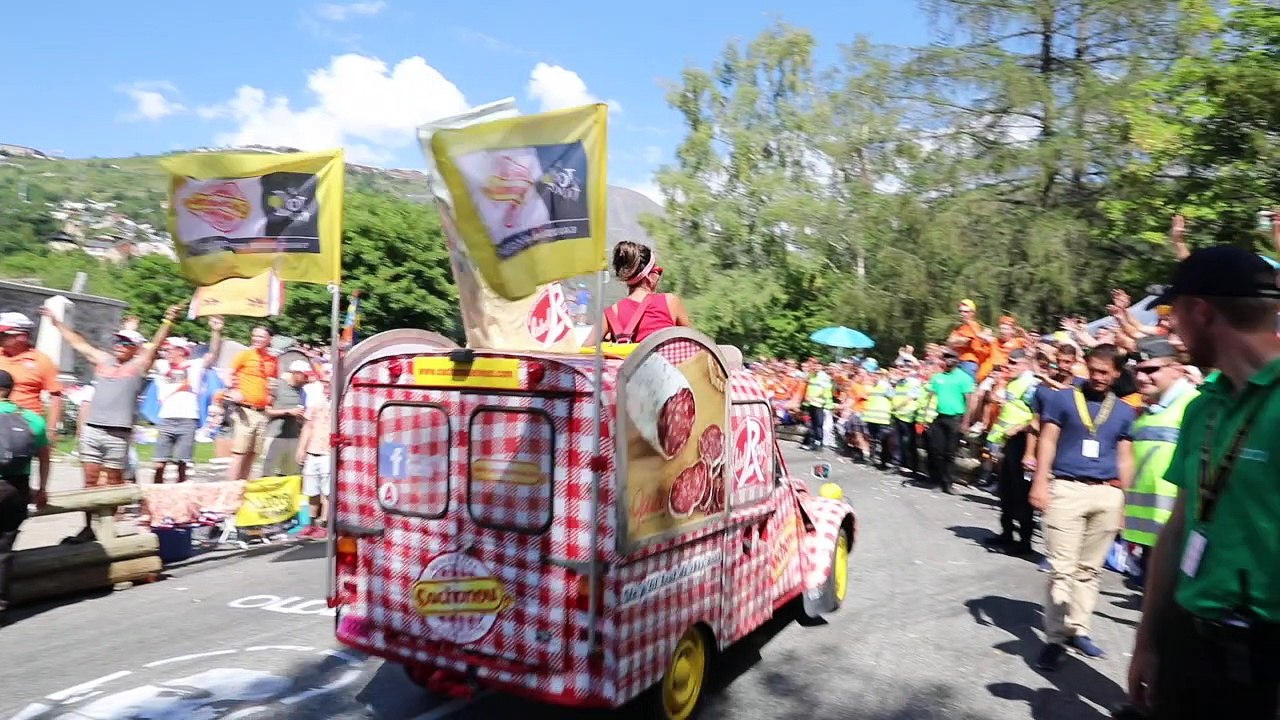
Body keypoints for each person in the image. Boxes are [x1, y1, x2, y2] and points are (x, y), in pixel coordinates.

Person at [1127, 246, 1280, 719]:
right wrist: (1148, 641)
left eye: (1173, 315)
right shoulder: (1202, 406)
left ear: (1201, 311)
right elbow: (1178, 527)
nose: (1168, 330)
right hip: (1189, 643)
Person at [1030, 343, 1138, 670]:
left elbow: (1125, 457)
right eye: (1093, 370)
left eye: (1105, 372)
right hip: (1067, 487)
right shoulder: (1061, 399)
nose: (1098, 377)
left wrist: (1126, 503)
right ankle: (1054, 638)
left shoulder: (1123, 410)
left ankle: (1080, 628)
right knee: (1062, 568)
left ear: (1117, 373)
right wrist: (1040, 480)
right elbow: (1047, 439)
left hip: (1106, 493)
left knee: (1089, 570)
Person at [45, 306, 176, 487]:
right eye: (118, 341)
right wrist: (56, 323)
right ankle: (90, 516)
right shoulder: (103, 360)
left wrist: (168, 321)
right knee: (90, 480)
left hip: (118, 433)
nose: (120, 345)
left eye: (126, 343)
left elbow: (156, 344)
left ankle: (113, 515)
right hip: (92, 430)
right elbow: (78, 343)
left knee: (114, 482)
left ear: (136, 349)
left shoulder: (139, 365)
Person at [1121, 336, 1197, 587]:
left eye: (1151, 370)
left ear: (1176, 370)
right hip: (1154, 535)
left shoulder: (1193, 406)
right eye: (1137, 371)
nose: (1141, 378)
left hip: (1180, 534)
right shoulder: (1149, 411)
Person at [0, 369, 51, 627]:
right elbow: (44, 456)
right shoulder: (32, 419)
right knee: (4, 549)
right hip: (16, 489)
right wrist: (41, 489)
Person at [984, 349, 1042, 556]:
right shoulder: (1013, 382)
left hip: (1023, 442)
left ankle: (1024, 542)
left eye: (1013, 362)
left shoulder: (1031, 385)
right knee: (1006, 490)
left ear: (1026, 364)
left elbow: (1039, 416)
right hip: (1008, 442)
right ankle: (1006, 533)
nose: (1008, 366)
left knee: (1021, 493)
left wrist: (1019, 428)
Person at [151, 317, 223, 483]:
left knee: (182, 464)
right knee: (159, 464)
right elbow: (151, 351)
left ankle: (180, 498)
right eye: (166, 349)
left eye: (170, 350)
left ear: (181, 351)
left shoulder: (195, 365)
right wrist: (166, 323)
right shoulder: (162, 365)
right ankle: (155, 497)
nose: (166, 352)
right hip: (166, 418)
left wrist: (216, 331)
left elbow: (213, 355)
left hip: (188, 418)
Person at [598, 241, 691, 344]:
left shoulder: (611, 313)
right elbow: (696, 345)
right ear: (649, 276)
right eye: (658, 271)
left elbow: (584, 353)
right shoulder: (670, 302)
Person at [0, 312, 62, 444]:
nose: (1, 338)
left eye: (4, 335)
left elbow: (56, 395)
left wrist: (51, 429)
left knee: (19, 462)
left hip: (24, 424)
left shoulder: (41, 361)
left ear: (22, 336)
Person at [226, 326, 279, 481]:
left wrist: (271, 396)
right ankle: (230, 489)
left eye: (261, 336)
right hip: (245, 410)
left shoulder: (273, 360)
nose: (256, 339)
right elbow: (228, 373)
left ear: (269, 340)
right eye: (254, 335)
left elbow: (272, 382)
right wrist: (232, 390)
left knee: (252, 453)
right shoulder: (245, 354)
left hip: (262, 412)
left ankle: (242, 486)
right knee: (239, 452)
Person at [927, 350, 975, 494]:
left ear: (957, 360)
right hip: (939, 417)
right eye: (946, 357)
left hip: (955, 418)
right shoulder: (937, 378)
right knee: (937, 450)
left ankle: (948, 483)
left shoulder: (964, 378)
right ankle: (937, 479)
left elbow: (968, 401)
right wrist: (926, 417)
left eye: (951, 358)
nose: (948, 360)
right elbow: (930, 398)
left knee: (950, 452)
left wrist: (966, 422)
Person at [295, 375, 331, 540]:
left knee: (328, 491)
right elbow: (308, 426)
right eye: (324, 384)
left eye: (329, 384)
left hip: (329, 453)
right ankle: (310, 522)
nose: (326, 387)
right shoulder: (317, 404)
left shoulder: (339, 406)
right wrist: (302, 448)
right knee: (311, 490)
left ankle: (324, 523)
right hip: (313, 451)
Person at [261, 360, 310, 477]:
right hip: (274, 435)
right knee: (269, 471)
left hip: (293, 436)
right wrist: (288, 412)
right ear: (295, 373)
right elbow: (267, 411)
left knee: (289, 474)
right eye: (305, 375)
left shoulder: (303, 391)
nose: (306, 379)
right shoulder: (278, 386)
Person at [891, 366, 923, 477]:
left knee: (909, 444)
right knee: (897, 443)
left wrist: (897, 407)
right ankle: (896, 465)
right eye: (900, 369)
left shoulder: (914, 382)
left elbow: (911, 397)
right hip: (898, 415)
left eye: (905, 370)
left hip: (909, 417)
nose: (902, 372)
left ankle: (913, 468)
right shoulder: (899, 383)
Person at [947, 299, 991, 379]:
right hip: (958, 361)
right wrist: (958, 340)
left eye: (965, 312)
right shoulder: (958, 328)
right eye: (960, 311)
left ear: (972, 313)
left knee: (968, 387)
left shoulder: (973, 325)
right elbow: (950, 342)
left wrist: (958, 340)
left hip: (969, 362)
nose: (962, 314)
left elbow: (967, 342)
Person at [862, 369, 895, 469]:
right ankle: (872, 460)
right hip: (872, 418)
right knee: (872, 440)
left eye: (877, 375)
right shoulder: (873, 387)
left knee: (883, 441)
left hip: (882, 418)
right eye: (874, 375)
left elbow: (892, 397)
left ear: (882, 376)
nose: (874, 377)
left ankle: (883, 462)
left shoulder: (885, 386)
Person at [800, 359, 834, 452]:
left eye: (818, 366)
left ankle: (818, 443)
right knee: (811, 424)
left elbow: (824, 390)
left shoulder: (824, 377)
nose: (816, 367)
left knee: (818, 424)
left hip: (818, 403)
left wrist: (813, 397)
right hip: (811, 403)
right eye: (815, 365)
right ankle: (811, 442)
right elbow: (808, 385)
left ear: (822, 367)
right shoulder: (812, 375)